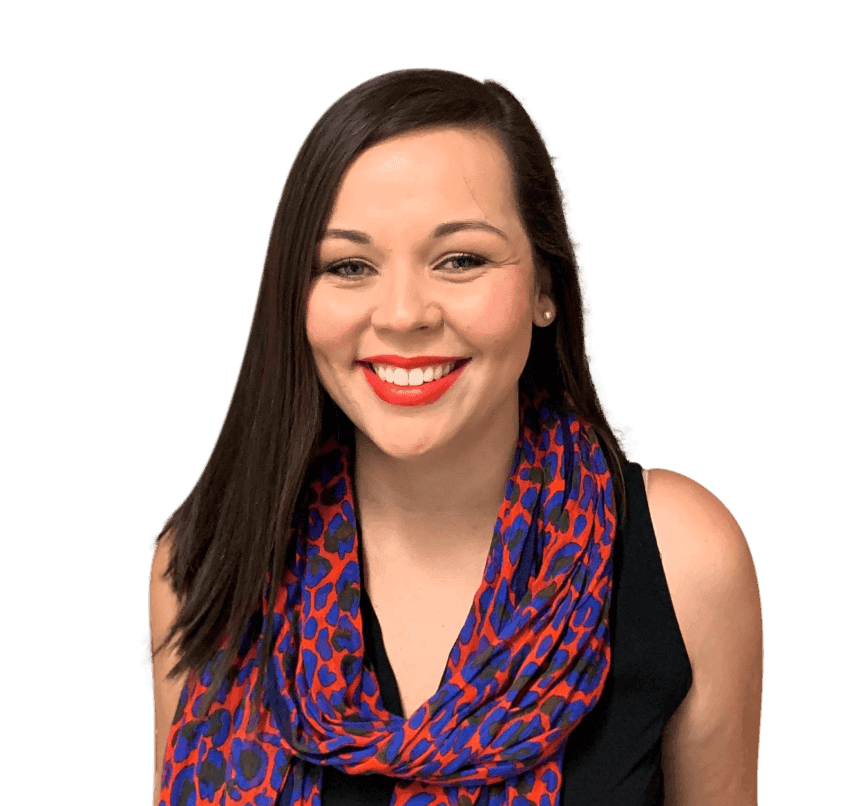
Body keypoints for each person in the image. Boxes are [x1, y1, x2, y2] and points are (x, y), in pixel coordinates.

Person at [148, 68, 763, 806]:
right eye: (349, 266)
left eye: (461, 259)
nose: (404, 314)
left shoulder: (683, 555)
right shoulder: (207, 560)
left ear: (545, 288)